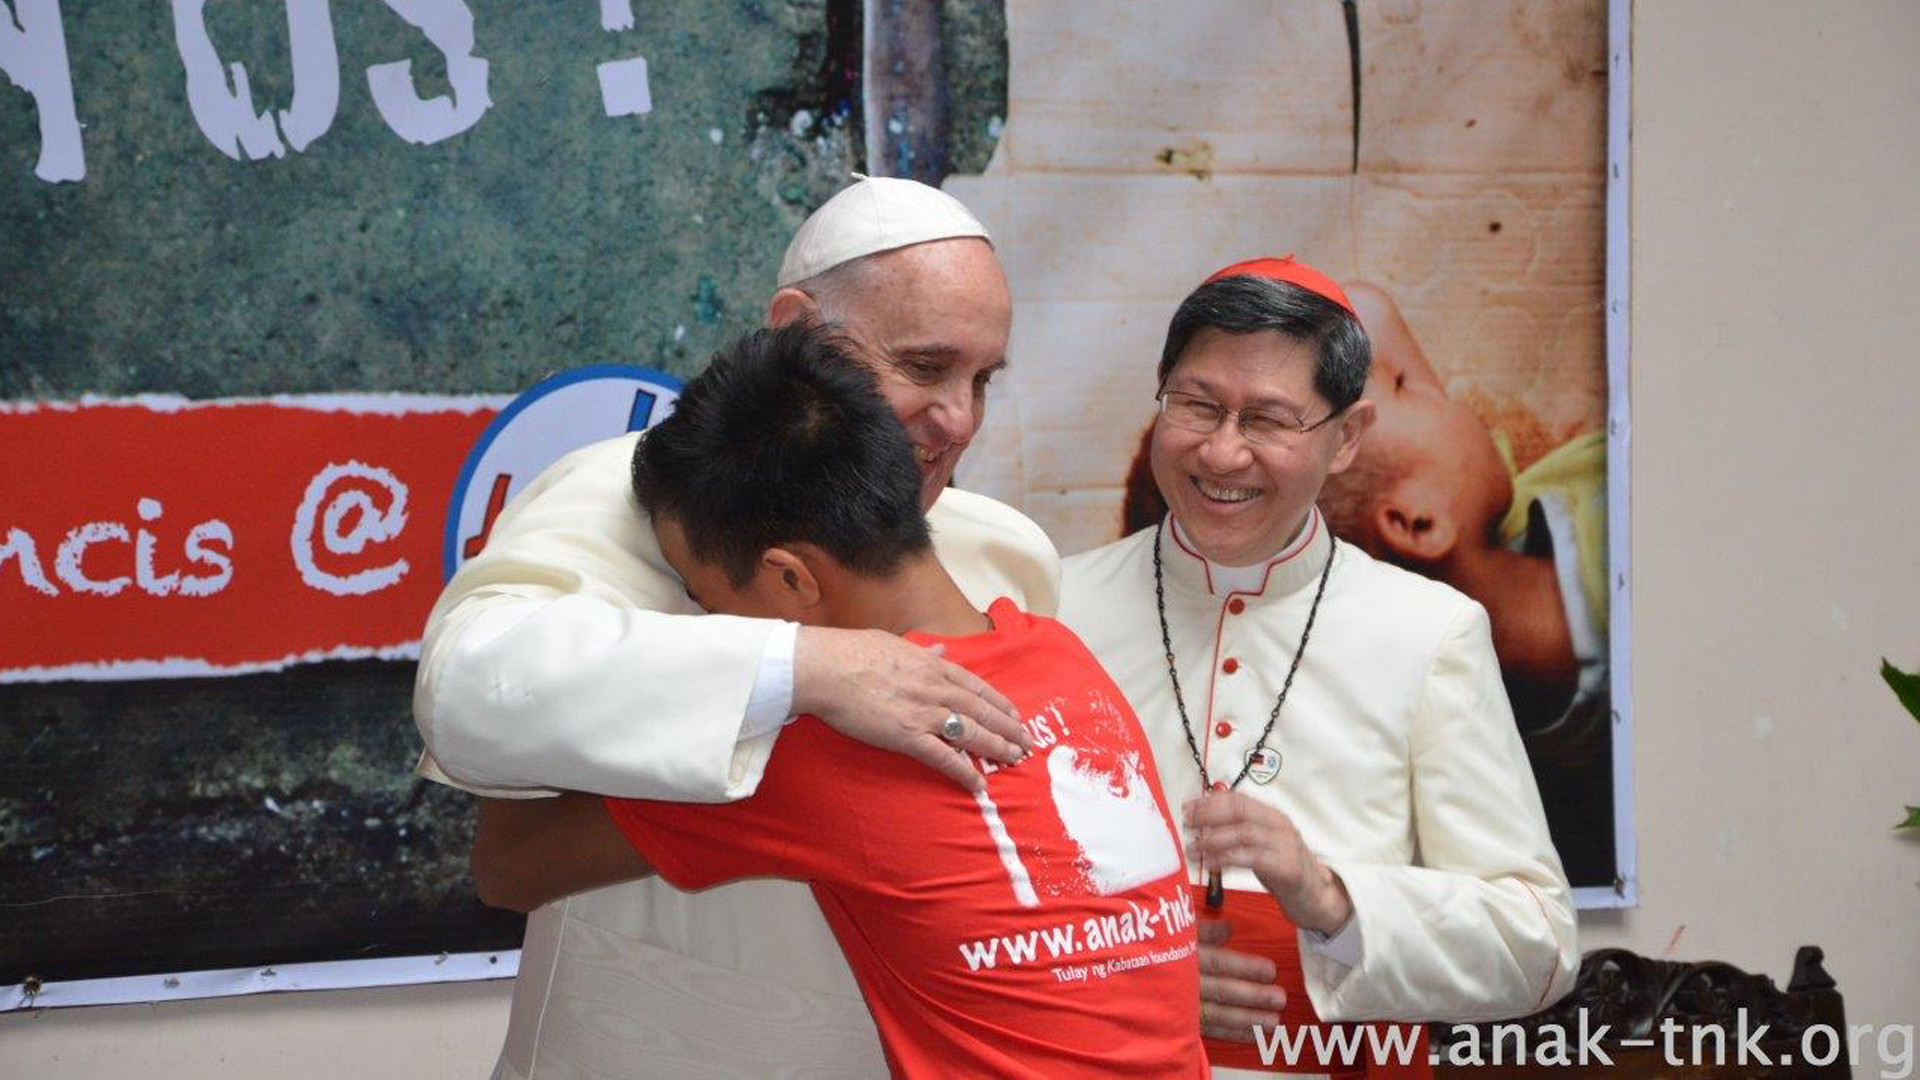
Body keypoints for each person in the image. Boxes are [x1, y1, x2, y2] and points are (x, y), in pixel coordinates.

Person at [413, 178, 1060, 1077]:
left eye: (981, 379)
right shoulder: (621, 491)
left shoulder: (1010, 552)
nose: (959, 419)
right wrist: (806, 667)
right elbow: (469, 691)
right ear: (798, 331)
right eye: (923, 367)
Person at [471, 323, 1208, 1078]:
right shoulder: (1064, 658)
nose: (704, 616)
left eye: (702, 594)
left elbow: (507, 866)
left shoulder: (825, 749)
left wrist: (618, 632)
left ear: (793, 579)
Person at [1059, 257, 1579, 1077]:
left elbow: (1538, 945)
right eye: (1196, 406)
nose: (1222, 454)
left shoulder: (1430, 631)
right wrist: (1125, 967)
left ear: (1345, 439)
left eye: (1269, 420)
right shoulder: (1053, 610)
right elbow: (970, 895)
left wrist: (1329, 896)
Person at [1316, 282, 1608, 764]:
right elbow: (1362, 308)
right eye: (1403, 388)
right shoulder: (1629, 560)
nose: (1433, 389)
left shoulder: (1484, 742)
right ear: (1418, 526)